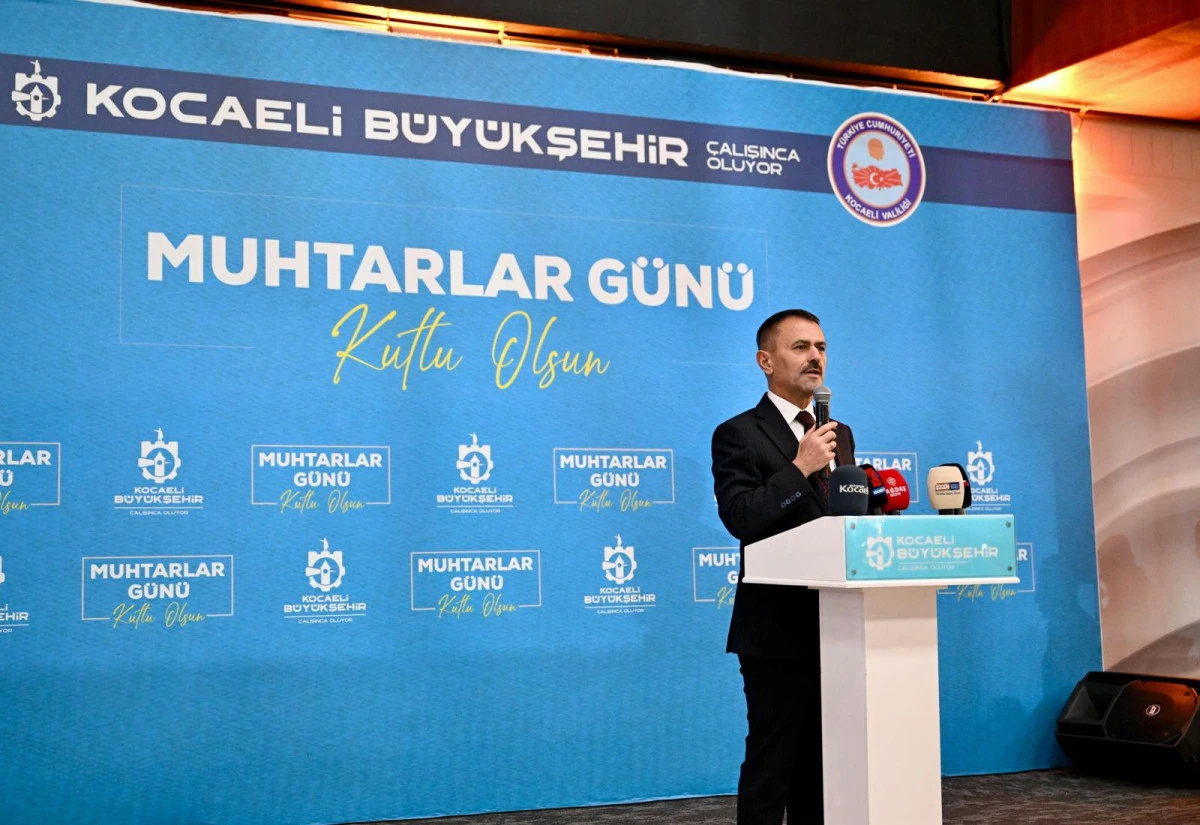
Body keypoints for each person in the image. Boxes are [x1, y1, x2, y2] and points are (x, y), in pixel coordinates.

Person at [710, 309, 856, 825]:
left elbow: (840, 518)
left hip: (839, 623)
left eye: (821, 347)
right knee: (773, 763)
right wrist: (799, 468)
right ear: (765, 361)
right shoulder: (738, 434)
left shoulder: (840, 433)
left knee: (822, 766)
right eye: (800, 347)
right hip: (775, 629)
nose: (815, 357)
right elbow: (741, 517)